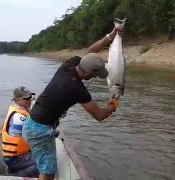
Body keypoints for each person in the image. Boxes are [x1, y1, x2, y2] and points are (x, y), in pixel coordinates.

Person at [22, 27, 124, 180]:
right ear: (88, 74)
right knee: (48, 171)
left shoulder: (69, 65)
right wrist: (113, 105)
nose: (96, 78)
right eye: (96, 75)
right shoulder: (77, 89)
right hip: (39, 131)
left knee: (46, 167)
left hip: (33, 124)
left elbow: (91, 50)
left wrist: (110, 36)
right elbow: (99, 115)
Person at [1, 86, 39, 178]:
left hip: (19, 154)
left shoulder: (22, 110)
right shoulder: (18, 117)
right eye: (26, 98)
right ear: (17, 100)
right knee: (45, 163)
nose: (29, 100)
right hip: (15, 158)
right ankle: (18, 175)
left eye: (30, 97)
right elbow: (35, 135)